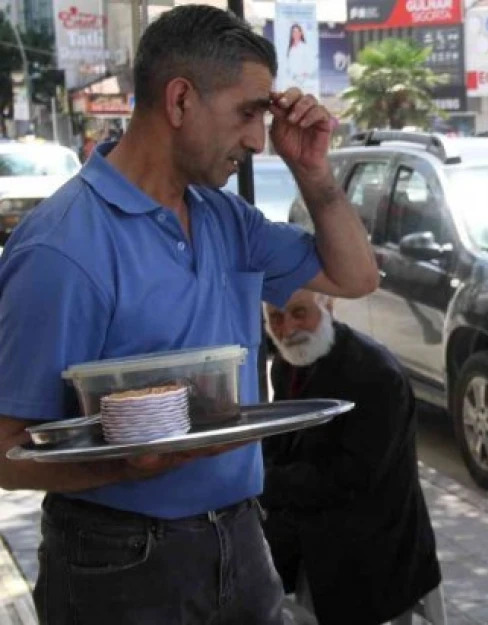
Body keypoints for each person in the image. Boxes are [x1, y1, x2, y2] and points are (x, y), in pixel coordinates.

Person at [0, 5, 378, 624]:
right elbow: (6, 454)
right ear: (179, 101)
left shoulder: (223, 217)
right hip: (120, 559)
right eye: (249, 113)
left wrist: (314, 172)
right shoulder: (62, 249)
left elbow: (356, 278)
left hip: (241, 537)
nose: (259, 140)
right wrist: (126, 463)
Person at [260, 289, 442, 625]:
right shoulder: (289, 363)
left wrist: (262, 480)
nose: (286, 329)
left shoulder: (375, 375)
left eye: (299, 313)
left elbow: (351, 477)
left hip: (375, 535)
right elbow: (281, 441)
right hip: (315, 511)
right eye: (276, 318)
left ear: (327, 304)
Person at [283, 24, 316, 92]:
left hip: (303, 81)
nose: (296, 34)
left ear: (301, 33)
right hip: (291, 80)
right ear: (291, 34)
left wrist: (306, 73)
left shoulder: (305, 47)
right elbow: (288, 65)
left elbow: (312, 63)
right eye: (294, 32)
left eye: (297, 32)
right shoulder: (290, 48)